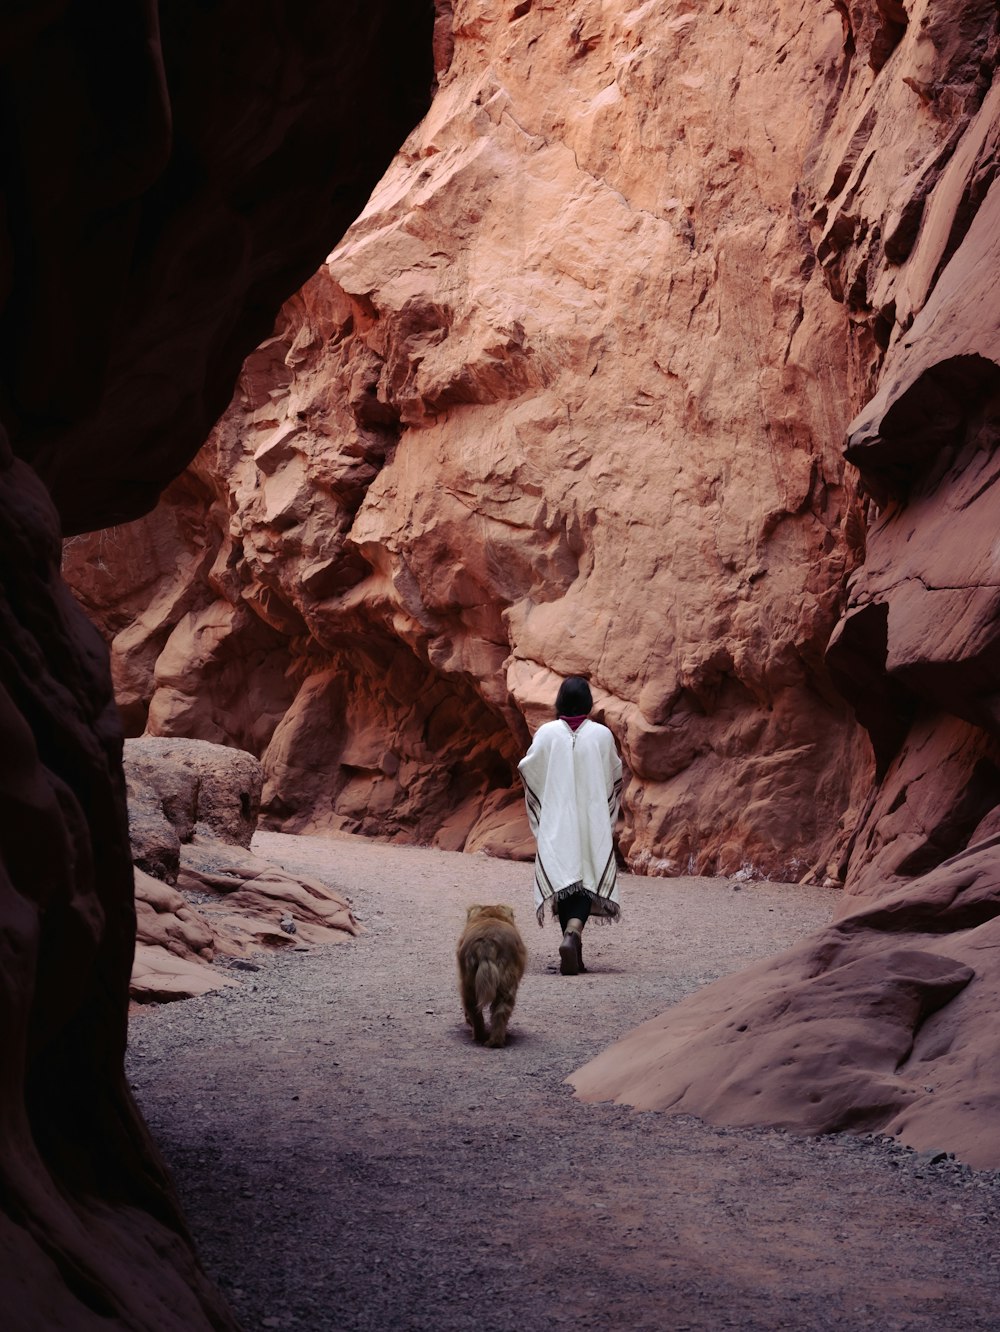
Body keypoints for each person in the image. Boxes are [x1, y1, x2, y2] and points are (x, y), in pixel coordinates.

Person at [517, 676, 623, 975]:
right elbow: (614, 776)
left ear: (560, 701)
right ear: (588, 702)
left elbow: (528, 769)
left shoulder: (546, 734)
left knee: (565, 878)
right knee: (586, 874)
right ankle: (574, 934)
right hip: (591, 819)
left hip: (557, 819)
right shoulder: (602, 735)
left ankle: (570, 937)